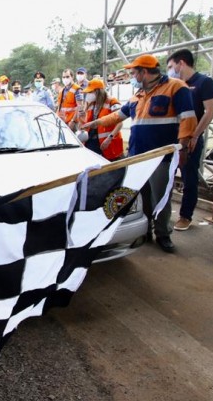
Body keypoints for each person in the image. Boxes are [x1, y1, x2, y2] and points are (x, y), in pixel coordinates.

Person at [84, 54, 196, 253]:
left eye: (134, 72)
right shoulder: (138, 95)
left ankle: (163, 233)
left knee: (161, 197)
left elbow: (188, 119)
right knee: (140, 196)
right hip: (137, 157)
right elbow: (118, 115)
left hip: (161, 157)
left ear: (144, 72)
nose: (132, 75)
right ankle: (146, 231)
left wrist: (184, 147)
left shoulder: (176, 87)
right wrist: (96, 123)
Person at [166, 49, 213, 231]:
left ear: (182, 63)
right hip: (173, 139)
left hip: (190, 140)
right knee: (168, 177)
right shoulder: (174, 85)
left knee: (189, 179)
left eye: (171, 67)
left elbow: (211, 110)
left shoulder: (204, 82)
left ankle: (185, 216)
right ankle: (163, 214)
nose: (170, 71)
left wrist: (194, 135)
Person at [80, 78, 123, 160]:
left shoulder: (112, 101)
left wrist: (110, 138)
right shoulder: (91, 104)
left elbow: (120, 123)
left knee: (111, 167)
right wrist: (81, 117)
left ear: (97, 92)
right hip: (92, 141)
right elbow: (87, 123)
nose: (88, 94)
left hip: (108, 142)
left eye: (90, 92)